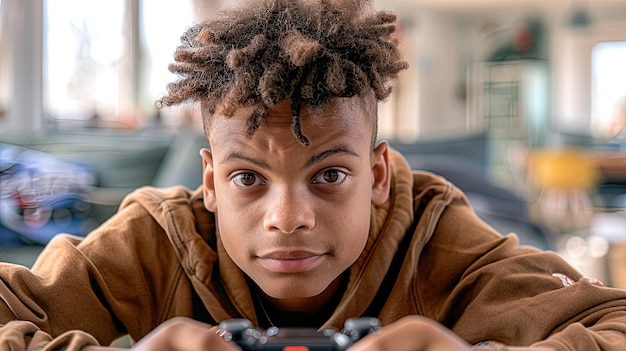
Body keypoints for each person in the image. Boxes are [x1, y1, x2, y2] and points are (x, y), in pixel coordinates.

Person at [2, 0, 626, 350]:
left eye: (329, 176)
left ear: (378, 175)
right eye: (249, 179)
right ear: (211, 183)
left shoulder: (437, 239)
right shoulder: (155, 240)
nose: (289, 216)